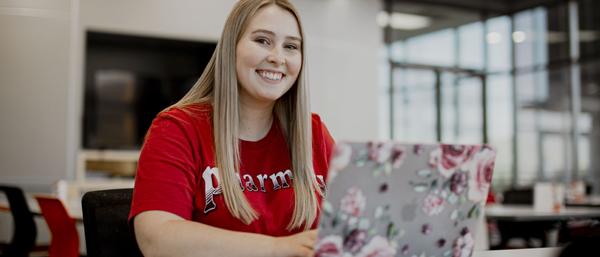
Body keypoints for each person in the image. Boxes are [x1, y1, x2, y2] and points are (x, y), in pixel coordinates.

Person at [128, 0, 335, 256]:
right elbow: (156, 239)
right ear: (231, 47)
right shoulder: (177, 128)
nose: (277, 58)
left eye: (291, 46)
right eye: (262, 40)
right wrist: (278, 248)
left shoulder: (314, 132)